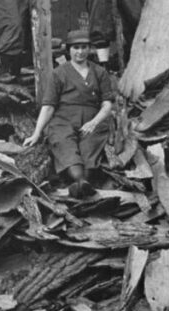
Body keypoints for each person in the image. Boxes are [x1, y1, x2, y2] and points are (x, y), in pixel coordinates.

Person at [23, 30, 113, 199]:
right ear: (69, 50)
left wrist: (94, 122)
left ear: (89, 49)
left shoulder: (99, 72)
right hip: (64, 119)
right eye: (76, 47)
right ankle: (79, 182)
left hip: (92, 119)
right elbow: (48, 106)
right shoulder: (59, 73)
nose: (80, 52)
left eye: (84, 47)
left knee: (89, 147)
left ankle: (81, 183)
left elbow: (107, 104)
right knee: (65, 144)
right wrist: (36, 133)